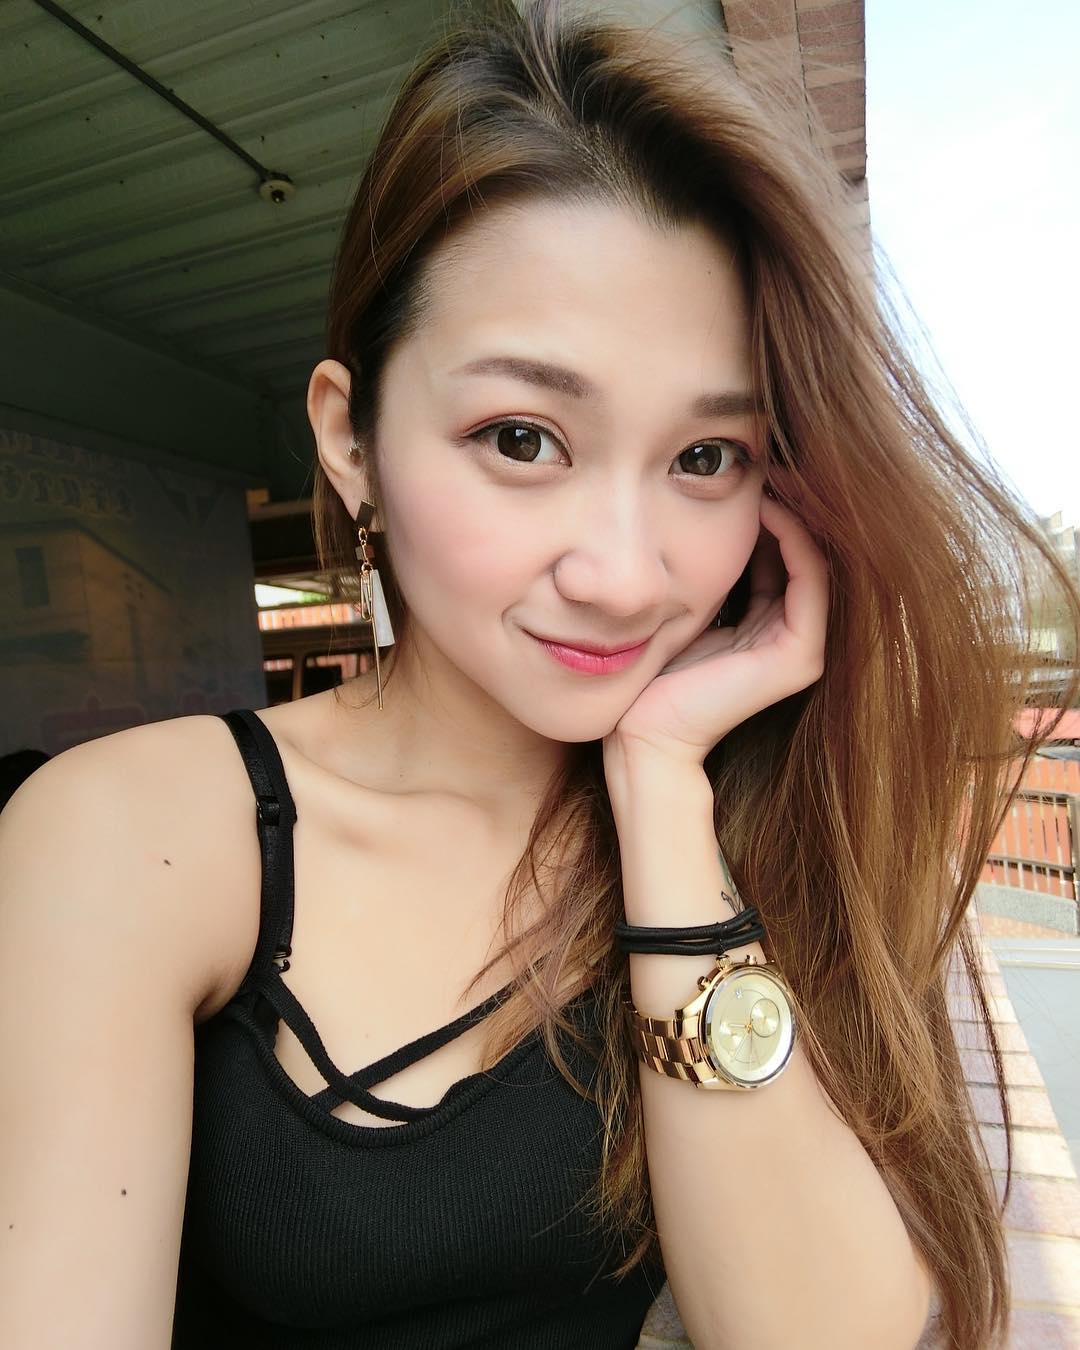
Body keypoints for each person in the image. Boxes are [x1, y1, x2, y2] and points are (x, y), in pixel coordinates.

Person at [1, 2, 1075, 1347]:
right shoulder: (136, 833)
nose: (623, 575)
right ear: (351, 438)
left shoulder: (775, 806)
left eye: (705, 458)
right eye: (523, 438)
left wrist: (664, 792)